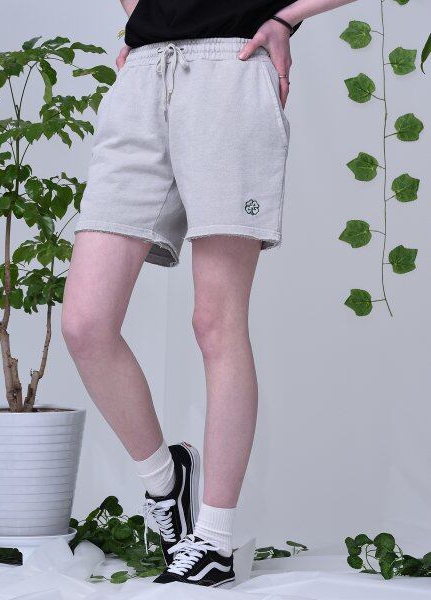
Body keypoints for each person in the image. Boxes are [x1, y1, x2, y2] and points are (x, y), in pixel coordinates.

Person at [62, 0, 357, 588]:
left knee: (215, 322)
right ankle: (164, 479)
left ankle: (214, 539)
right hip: (144, 75)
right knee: (85, 325)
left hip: (230, 67)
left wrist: (288, 17)